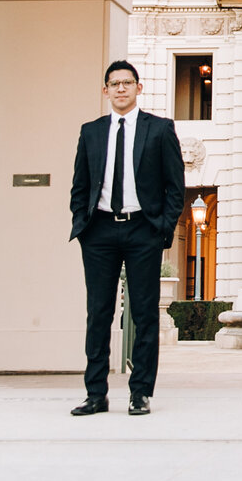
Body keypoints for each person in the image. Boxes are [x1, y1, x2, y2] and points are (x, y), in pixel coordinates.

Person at [68, 59, 187, 417]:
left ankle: (140, 393)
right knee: (99, 313)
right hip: (100, 231)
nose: (121, 89)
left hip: (142, 230)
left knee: (145, 313)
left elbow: (174, 186)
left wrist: (162, 228)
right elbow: (80, 186)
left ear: (138, 88)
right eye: (114, 84)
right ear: (105, 91)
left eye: (127, 83)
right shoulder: (91, 132)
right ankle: (95, 393)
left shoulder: (160, 129)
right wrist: (83, 224)